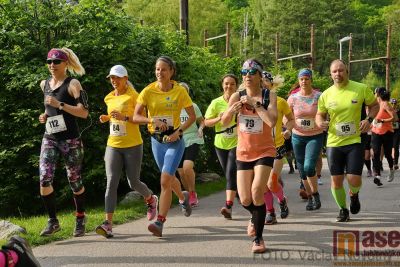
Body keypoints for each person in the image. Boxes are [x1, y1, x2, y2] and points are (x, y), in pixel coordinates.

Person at [132, 56, 195, 237]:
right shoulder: (148, 91)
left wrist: (179, 132)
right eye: (157, 69)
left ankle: (160, 222)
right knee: (169, 178)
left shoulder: (180, 92)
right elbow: (136, 117)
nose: (160, 73)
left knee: (165, 180)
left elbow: (191, 117)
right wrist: (151, 119)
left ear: (171, 72)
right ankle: (183, 198)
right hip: (157, 141)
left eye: (164, 69)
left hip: (174, 140)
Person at [95, 65, 158, 238]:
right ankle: (108, 224)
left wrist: (125, 118)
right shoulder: (108, 98)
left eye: (117, 78)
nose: (114, 81)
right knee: (111, 181)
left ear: (125, 78)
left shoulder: (134, 96)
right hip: (113, 144)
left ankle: (151, 199)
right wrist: (107, 118)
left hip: (132, 144)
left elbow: (142, 119)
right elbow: (115, 116)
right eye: (112, 78)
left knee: (133, 182)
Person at [222, 59, 277, 253]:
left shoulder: (269, 95)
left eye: (252, 72)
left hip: (264, 151)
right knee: (245, 199)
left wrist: (256, 105)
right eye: (244, 72)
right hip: (244, 152)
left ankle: (258, 239)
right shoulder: (237, 95)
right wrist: (232, 109)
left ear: (260, 76)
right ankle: (255, 215)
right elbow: (224, 121)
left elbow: (271, 121)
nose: (247, 75)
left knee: (256, 192)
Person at [316, 59, 378, 222]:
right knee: (336, 181)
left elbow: (375, 105)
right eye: (334, 71)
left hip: (355, 140)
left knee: (353, 179)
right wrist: (319, 122)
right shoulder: (326, 94)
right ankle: (343, 209)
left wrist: (369, 120)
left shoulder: (361, 88)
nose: (338, 74)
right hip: (334, 142)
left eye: (341, 70)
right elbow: (319, 114)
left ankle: (354, 194)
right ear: (330, 74)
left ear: (347, 71)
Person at [38, 48, 89, 237]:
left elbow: (84, 112)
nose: (52, 65)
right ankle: (53, 221)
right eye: (49, 61)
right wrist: (44, 115)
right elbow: (49, 109)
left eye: (56, 62)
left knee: (75, 181)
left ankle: (80, 217)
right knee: (44, 178)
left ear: (65, 63)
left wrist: (59, 105)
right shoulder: (45, 84)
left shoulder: (73, 84)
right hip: (50, 138)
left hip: (71, 140)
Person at [288, 68, 324, 211]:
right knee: (302, 170)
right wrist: (287, 128)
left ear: (311, 80)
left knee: (309, 166)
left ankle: (315, 195)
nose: (304, 81)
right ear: (299, 81)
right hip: (297, 136)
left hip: (315, 136)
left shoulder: (319, 96)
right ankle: (310, 197)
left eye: (307, 78)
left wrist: (325, 121)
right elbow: (287, 115)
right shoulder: (293, 98)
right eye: (301, 79)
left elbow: (326, 112)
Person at [204, 74, 239, 219]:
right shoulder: (216, 102)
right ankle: (238, 192)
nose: (229, 87)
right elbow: (206, 122)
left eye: (232, 84)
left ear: (236, 86)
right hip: (220, 143)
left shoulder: (240, 101)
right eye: (226, 84)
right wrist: (220, 117)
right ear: (222, 85)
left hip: (237, 142)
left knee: (231, 171)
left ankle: (228, 206)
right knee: (228, 173)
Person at [261, 71, 293, 225]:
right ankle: (270, 212)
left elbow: (291, 119)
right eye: (260, 80)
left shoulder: (280, 102)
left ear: (271, 84)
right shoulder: (251, 101)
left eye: (266, 80)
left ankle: (281, 200)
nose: (262, 83)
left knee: (271, 183)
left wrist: (288, 130)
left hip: (277, 147)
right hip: (259, 149)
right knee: (263, 185)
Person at [177, 82, 205, 207]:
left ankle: (193, 192)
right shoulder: (172, 108)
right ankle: (187, 194)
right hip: (177, 141)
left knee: (187, 167)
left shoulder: (193, 106)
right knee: (181, 172)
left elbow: (202, 121)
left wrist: (200, 129)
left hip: (192, 139)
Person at [371, 87, 397, 185]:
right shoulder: (374, 104)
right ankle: (377, 175)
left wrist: (382, 120)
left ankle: (391, 169)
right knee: (376, 153)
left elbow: (395, 117)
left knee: (387, 154)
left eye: (376, 93)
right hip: (375, 131)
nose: (375, 94)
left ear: (378, 94)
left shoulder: (385, 104)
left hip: (387, 132)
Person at [391, 98, 400, 171]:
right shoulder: (386, 111)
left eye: (395, 103)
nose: (393, 105)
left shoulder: (399, 112)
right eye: (392, 103)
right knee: (388, 148)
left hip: (397, 132)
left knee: (395, 147)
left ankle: (395, 163)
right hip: (388, 131)